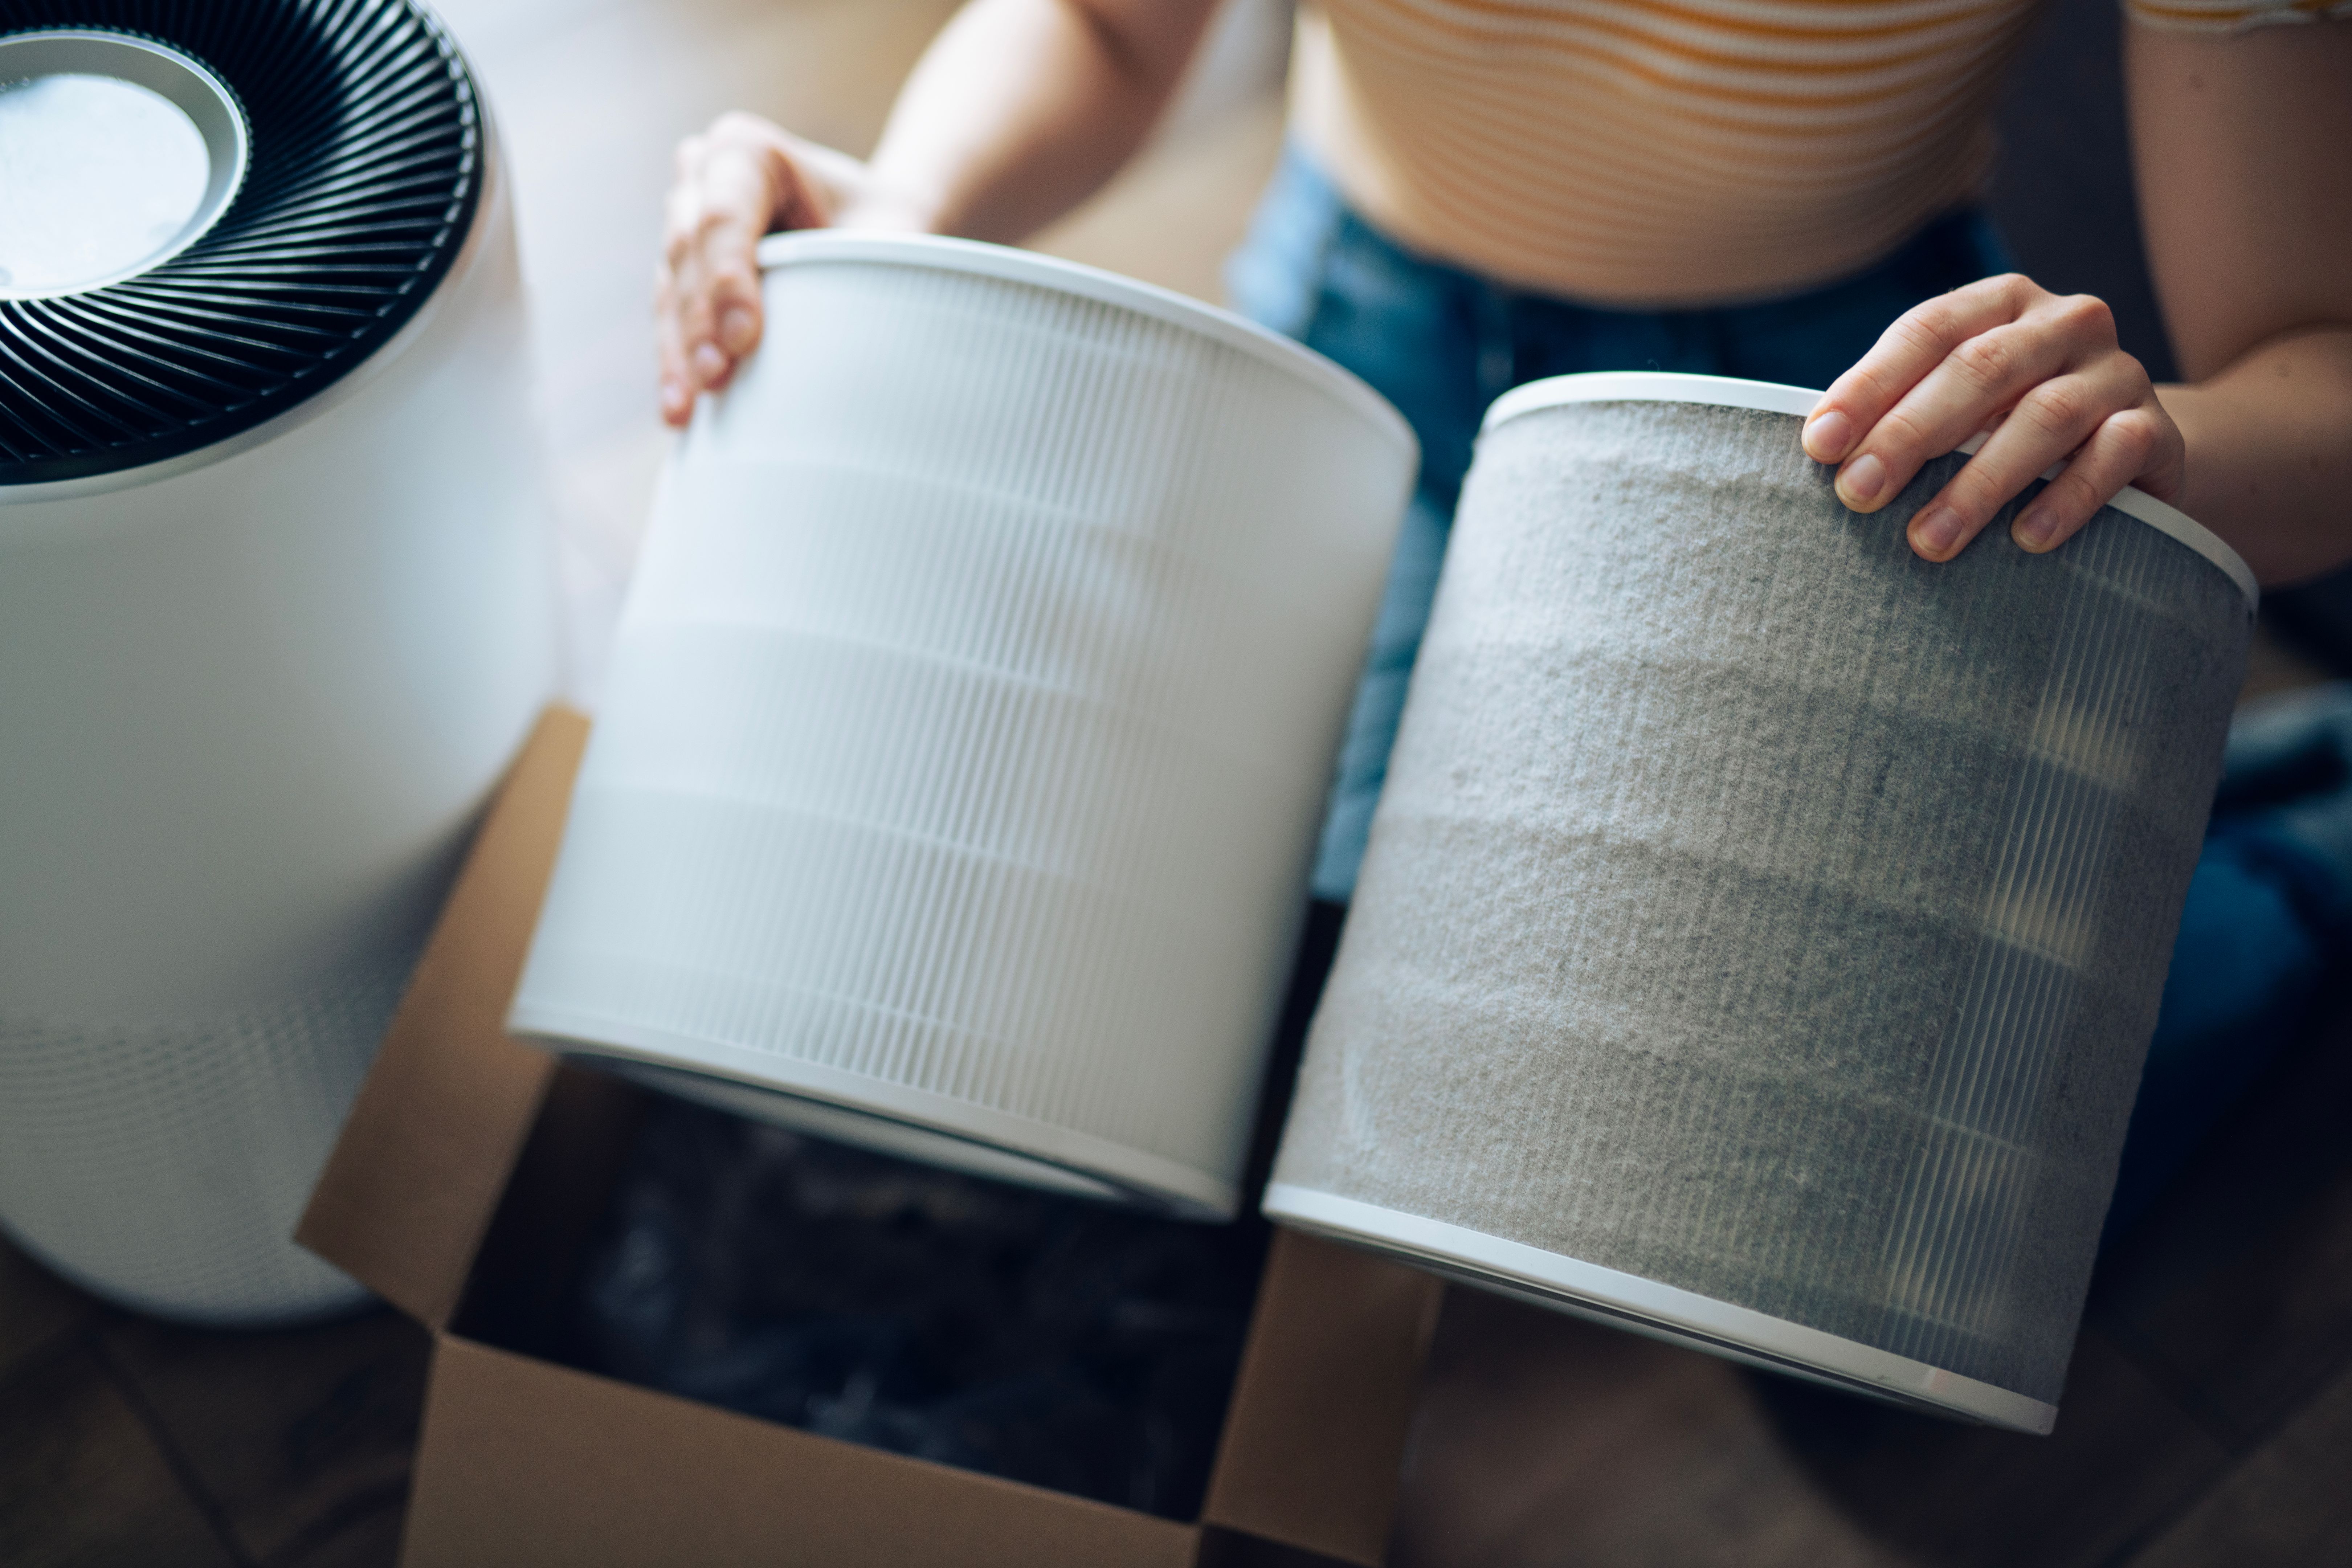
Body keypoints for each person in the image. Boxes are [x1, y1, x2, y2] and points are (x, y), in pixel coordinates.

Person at [651, 0, 2352, 1231]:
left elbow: (2320, 382)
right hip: (1364, 328)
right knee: (1269, 1019)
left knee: (1801, 1175)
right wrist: (910, 203)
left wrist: (2152, 443)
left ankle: (2305, 849)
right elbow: (1111, 27)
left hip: (1830, 425)